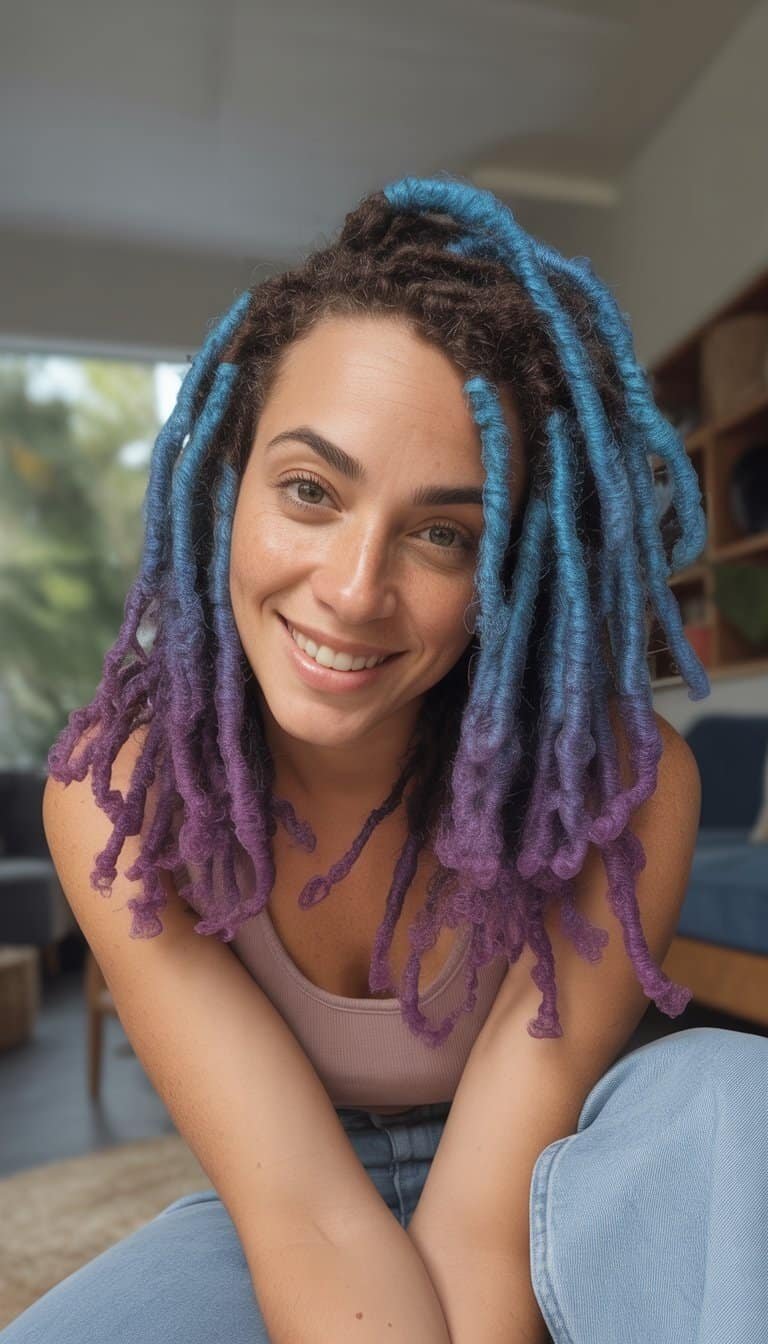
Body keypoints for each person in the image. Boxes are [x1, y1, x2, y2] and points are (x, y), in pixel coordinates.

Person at [5, 173, 766, 1342]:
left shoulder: (623, 789)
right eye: (310, 490)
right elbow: (300, 1211)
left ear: (506, 566)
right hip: (299, 1189)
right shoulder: (119, 797)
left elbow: (480, 1218)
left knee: (732, 1095)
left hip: (554, 1175)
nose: (355, 593)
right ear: (224, 491)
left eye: (442, 533)